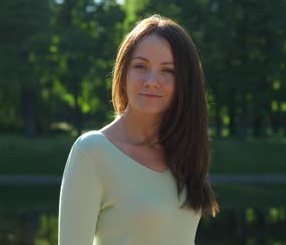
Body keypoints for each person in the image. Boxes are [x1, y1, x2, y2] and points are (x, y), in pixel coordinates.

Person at [58, 14, 219, 245]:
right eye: (140, 66)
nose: (152, 80)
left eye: (168, 71)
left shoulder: (185, 150)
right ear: (123, 73)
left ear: (184, 82)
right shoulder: (91, 152)